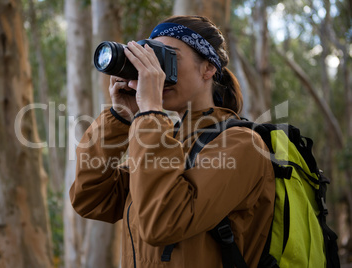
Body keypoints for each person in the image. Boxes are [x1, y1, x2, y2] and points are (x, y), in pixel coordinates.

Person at [70, 15, 275, 268]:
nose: (157, 72)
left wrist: (150, 115)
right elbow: (91, 198)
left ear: (208, 68)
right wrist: (121, 116)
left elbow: (162, 224)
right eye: (152, 61)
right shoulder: (167, 140)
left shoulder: (242, 144)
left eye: (169, 58)